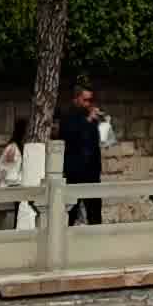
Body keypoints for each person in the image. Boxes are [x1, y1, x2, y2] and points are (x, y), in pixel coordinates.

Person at [56, 87, 109, 226]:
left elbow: (104, 140)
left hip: (92, 172)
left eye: (91, 100)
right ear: (76, 99)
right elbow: (71, 137)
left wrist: (104, 123)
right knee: (70, 213)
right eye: (85, 100)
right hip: (74, 172)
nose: (88, 104)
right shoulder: (68, 117)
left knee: (95, 213)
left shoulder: (92, 118)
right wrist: (89, 120)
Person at [0, 116, 49, 233]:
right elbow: (8, 169)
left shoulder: (19, 146)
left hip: (19, 184)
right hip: (15, 184)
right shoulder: (13, 148)